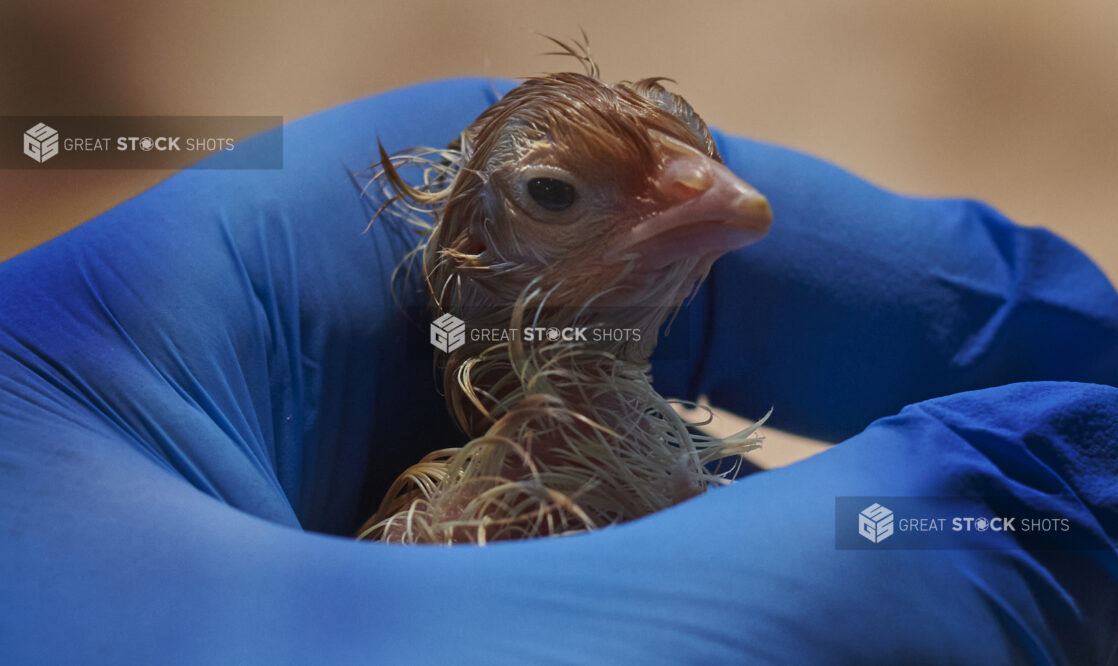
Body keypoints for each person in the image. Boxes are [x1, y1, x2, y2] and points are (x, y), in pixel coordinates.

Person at [0, 78, 1115, 664]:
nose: (723, 200)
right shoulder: (455, 529)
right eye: (552, 195)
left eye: (691, 167)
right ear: (474, 250)